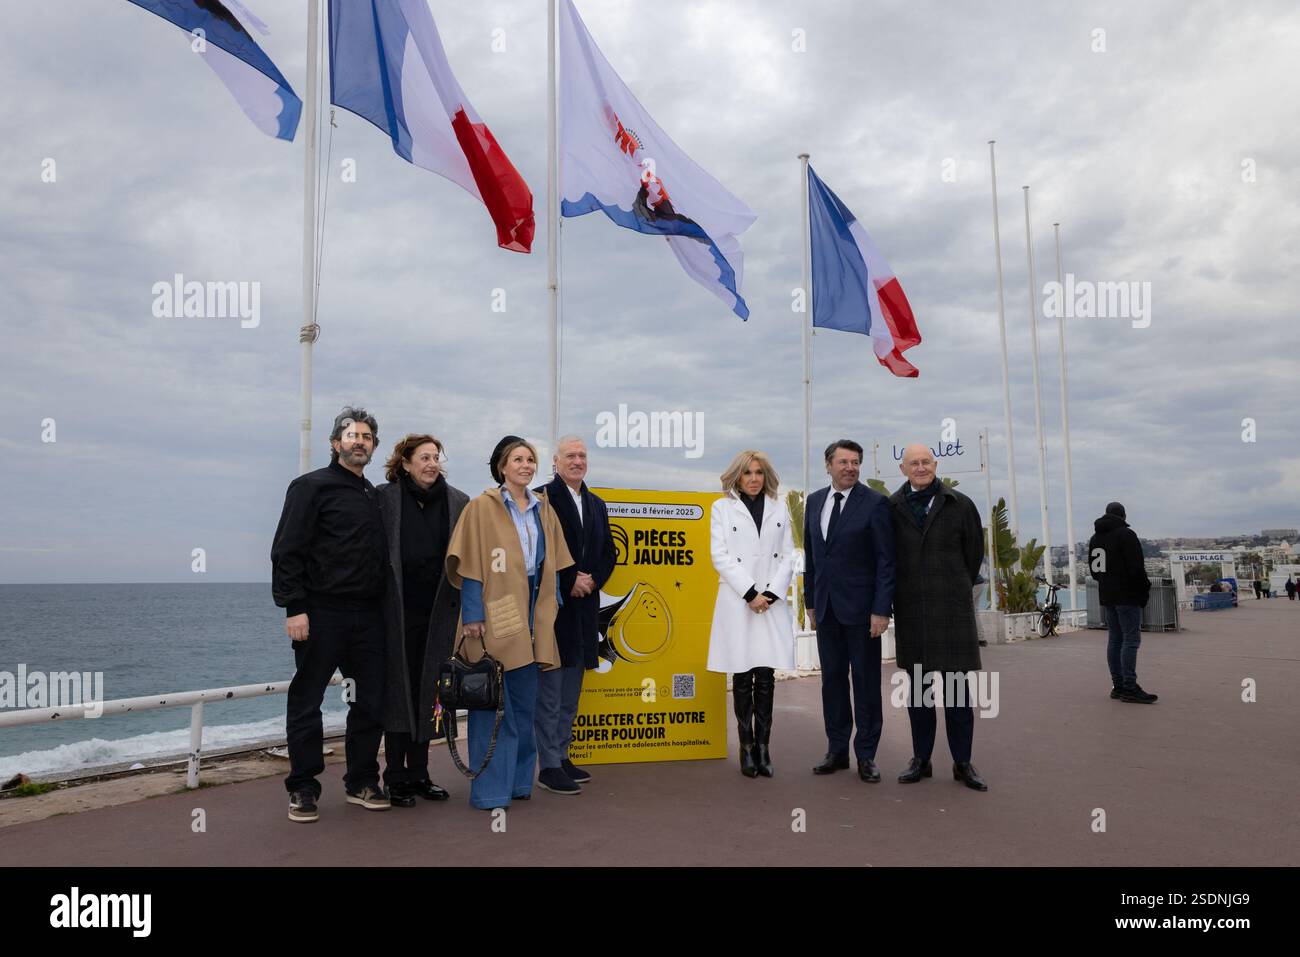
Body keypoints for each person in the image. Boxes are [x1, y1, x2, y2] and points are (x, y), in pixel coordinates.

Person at [271, 407, 392, 822]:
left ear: (374, 447)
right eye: (351, 434)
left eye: (367, 437)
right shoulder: (310, 487)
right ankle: (303, 788)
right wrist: (295, 607)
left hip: (368, 618)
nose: (359, 441)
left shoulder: (374, 496)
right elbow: (288, 550)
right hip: (320, 613)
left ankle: (362, 780)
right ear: (334, 442)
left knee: (369, 701)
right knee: (307, 701)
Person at [445, 436, 574, 810]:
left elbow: (551, 566)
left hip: (533, 617)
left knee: (524, 706)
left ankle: (519, 784)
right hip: (494, 616)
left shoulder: (543, 509)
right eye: (518, 459)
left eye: (530, 459)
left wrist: (554, 606)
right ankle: (490, 792)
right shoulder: (480, 508)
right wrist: (471, 614)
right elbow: (469, 564)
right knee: (491, 707)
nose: (526, 465)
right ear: (502, 466)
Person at [888, 444, 988, 791]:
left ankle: (963, 763)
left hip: (952, 613)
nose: (920, 467)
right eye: (913, 463)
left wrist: (953, 585)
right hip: (912, 613)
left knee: (959, 696)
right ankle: (921, 760)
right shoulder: (893, 507)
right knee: (919, 695)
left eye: (926, 462)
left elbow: (974, 555)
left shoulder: (960, 504)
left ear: (936, 465)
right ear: (903, 469)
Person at [377, 434, 469, 807]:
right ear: (405, 462)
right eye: (424, 457)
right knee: (397, 695)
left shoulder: (458, 501)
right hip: (395, 615)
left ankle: (420, 774)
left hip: (439, 618)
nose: (432, 464)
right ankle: (394, 777)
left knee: (430, 697)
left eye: (436, 457)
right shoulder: (384, 499)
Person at [803, 439, 896, 782]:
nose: (850, 468)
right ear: (828, 465)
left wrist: (881, 610)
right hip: (826, 609)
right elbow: (812, 558)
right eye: (843, 462)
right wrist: (810, 602)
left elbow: (886, 561)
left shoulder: (875, 504)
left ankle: (867, 755)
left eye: (855, 462)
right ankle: (837, 749)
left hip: (862, 613)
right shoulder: (814, 502)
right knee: (832, 682)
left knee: (867, 683)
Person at [533, 436, 616, 795]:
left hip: (584, 611)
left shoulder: (597, 504)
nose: (577, 461)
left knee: (571, 691)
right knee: (550, 692)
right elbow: (538, 550)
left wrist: (593, 579)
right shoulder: (541, 499)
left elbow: (609, 553)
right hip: (555, 609)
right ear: (556, 462)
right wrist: (570, 580)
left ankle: (562, 755)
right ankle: (548, 765)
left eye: (582, 455)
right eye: (570, 455)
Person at [707, 450, 796, 777]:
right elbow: (720, 555)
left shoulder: (780, 507)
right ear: (738, 476)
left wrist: (769, 594)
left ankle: (763, 747)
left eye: (759, 472)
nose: (754, 479)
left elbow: (788, 555)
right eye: (748, 473)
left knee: (766, 676)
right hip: (738, 600)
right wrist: (750, 593)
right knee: (742, 675)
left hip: (769, 603)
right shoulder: (721, 508)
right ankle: (746, 748)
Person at [1088, 502, 1156, 703]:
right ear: (1123, 517)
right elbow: (1136, 568)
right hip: (1127, 596)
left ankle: (1117, 686)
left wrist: (1108, 583)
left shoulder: (1095, 538)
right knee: (1131, 640)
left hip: (1107, 595)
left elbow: (1094, 571)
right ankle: (1129, 687)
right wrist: (1143, 591)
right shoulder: (1126, 535)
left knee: (1115, 640)